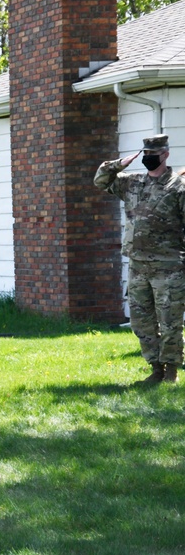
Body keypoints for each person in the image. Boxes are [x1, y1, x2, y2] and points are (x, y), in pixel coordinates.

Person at [95, 134, 185, 384]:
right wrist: (118, 164)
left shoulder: (179, 188)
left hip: (169, 267)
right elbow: (101, 180)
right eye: (145, 154)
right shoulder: (132, 183)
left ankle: (171, 371)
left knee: (170, 321)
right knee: (141, 321)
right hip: (137, 267)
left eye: (153, 154)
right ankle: (155, 368)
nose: (148, 158)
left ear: (165, 154)